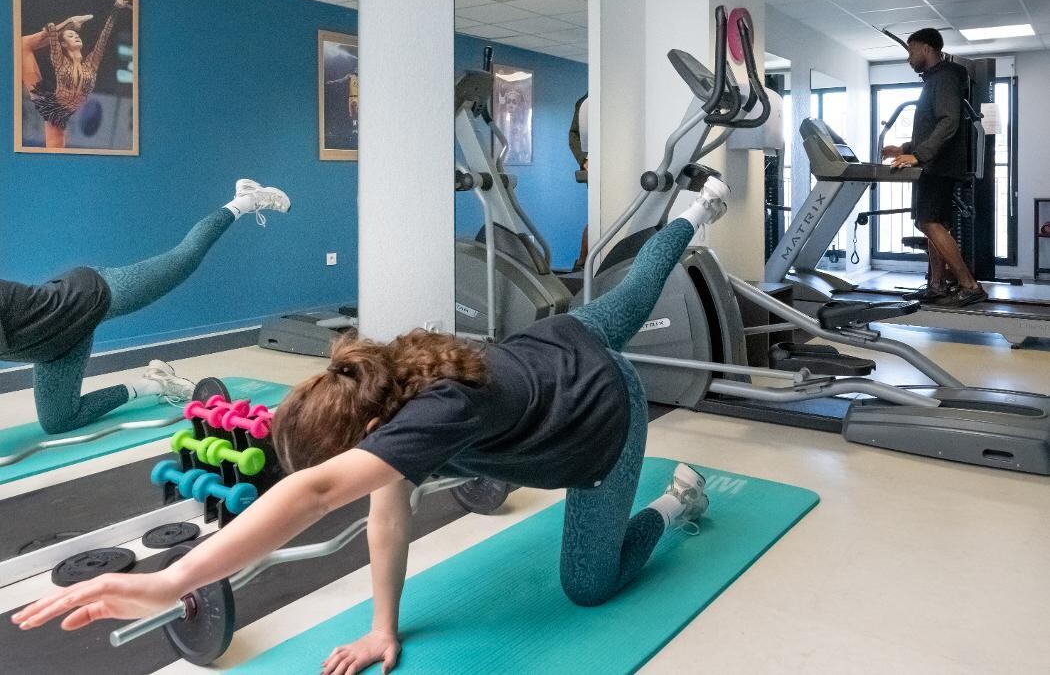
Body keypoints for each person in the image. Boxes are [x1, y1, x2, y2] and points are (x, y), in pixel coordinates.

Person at [11, 181, 730, 675]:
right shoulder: (386, 376)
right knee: (632, 290)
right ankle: (696, 213)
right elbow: (388, 522)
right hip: (560, 340)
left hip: (603, 417)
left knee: (588, 586)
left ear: (378, 429)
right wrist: (384, 628)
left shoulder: (436, 411)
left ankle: (676, 506)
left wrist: (177, 579)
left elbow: (321, 494)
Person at [1, 180, 290, 435]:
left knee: (182, 261)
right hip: (56, 347)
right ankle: (155, 385)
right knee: (59, 422)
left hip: (87, 296)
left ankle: (246, 199)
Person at [881, 28, 987, 307]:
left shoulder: (944, 78)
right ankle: (937, 285)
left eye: (911, 51)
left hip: (938, 165)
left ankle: (969, 285)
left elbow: (949, 122)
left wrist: (920, 156)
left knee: (927, 222)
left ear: (927, 49)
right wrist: (905, 149)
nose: (909, 58)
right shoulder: (936, 80)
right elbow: (933, 126)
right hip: (934, 162)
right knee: (934, 224)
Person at [20, 0, 132, 149]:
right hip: (51, 105)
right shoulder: (60, 61)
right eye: (71, 36)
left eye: (76, 35)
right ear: (64, 44)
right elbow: (54, 40)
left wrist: (115, 10)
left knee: (55, 148)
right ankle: (68, 23)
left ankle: (68, 24)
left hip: (64, 112)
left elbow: (104, 37)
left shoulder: (91, 64)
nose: (76, 37)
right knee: (22, 45)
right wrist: (56, 28)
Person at [569, 94, 589, 271]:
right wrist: (584, 160)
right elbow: (574, 134)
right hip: (596, 167)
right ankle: (582, 264)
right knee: (598, 217)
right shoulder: (585, 102)